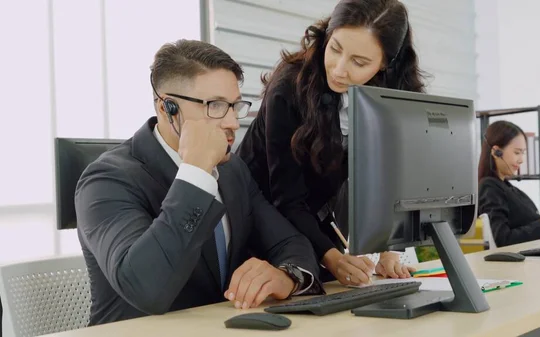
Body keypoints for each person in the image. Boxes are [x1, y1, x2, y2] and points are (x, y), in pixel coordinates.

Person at [75, 39, 323, 326]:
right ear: (167, 108)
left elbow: (292, 242)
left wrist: (286, 276)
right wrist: (196, 172)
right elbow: (147, 290)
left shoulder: (233, 171)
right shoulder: (106, 181)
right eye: (215, 106)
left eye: (234, 106)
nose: (232, 122)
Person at [236, 0, 423, 286]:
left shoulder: (388, 96)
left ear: (385, 64)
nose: (338, 70)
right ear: (327, 35)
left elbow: (385, 175)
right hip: (258, 214)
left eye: (359, 62)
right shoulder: (289, 87)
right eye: (335, 49)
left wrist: (389, 249)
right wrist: (332, 257)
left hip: (309, 217)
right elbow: (287, 197)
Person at [478, 120, 540, 247]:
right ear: (496, 152)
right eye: (517, 152)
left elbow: (533, 240)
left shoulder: (508, 188)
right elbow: (503, 240)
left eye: (523, 153)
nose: (521, 160)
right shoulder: (489, 187)